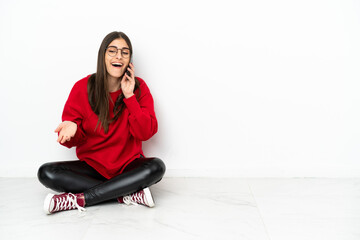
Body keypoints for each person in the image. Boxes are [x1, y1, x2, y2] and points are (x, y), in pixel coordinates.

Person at [37, 31, 166, 214]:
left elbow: (145, 133)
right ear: (102, 56)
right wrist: (73, 128)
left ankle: (80, 200)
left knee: (156, 167)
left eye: (124, 52)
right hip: (92, 167)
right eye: (112, 51)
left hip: (127, 167)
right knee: (46, 172)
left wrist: (129, 97)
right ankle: (125, 194)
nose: (118, 56)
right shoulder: (82, 87)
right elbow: (71, 139)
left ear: (129, 59)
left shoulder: (139, 88)